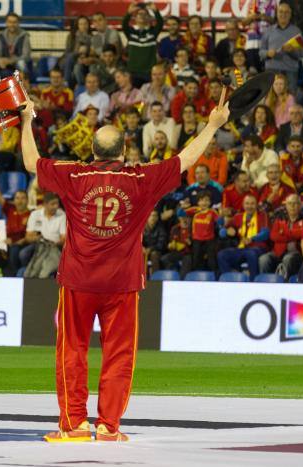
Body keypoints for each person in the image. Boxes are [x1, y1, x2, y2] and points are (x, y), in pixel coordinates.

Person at [18, 78, 230, 441]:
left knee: (72, 351)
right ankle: (109, 427)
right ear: (124, 149)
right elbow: (186, 160)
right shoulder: (141, 178)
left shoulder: (74, 174)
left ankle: (74, 425)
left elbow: (30, 162)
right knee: (119, 356)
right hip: (122, 284)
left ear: (93, 151)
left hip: (78, 281)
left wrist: (26, 120)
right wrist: (212, 124)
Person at [218, 195, 270, 279]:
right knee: (222, 255)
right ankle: (228, 281)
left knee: (250, 253)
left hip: (258, 248)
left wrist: (251, 239)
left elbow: (265, 233)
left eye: (252, 204)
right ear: (243, 205)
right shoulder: (238, 217)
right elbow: (221, 233)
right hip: (241, 248)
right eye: (247, 203)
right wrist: (226, 231)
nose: (249, 206)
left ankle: (253, 282)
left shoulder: (262, 215)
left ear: (256, 205)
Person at [260, 3, 303, 93]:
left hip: (290, 70)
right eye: (281, 12)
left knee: (290, 96)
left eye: (286, 12)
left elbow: (302, 53)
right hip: (271, 69)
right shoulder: (268, 30)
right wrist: (267, 53)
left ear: (290, 15)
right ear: (276, 13)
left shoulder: (296, 31)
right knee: (270, 95)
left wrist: (292, 50)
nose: (283, 15)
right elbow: (261, 52)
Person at [259, 194, 303, 278]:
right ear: (286, 206)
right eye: (290, 203)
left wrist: (283, 233)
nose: (292, 206)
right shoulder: (280, 219)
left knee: (288, 258)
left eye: (295, 203)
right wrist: (292, 235)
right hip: (277, 252)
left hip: (296, 253)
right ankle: (264, 283)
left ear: (299, 205)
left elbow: (302, 234)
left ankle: (284, 284)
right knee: (263, 259)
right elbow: (273, 236)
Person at [122, 1, 163, 87]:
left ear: (149, 18)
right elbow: (124, 25)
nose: (142, 16)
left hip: (149, 72)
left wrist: (156, 11)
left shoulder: (152, 32)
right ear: (135, 18)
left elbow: (160, 23)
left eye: (145, 14)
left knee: (148, 97)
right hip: (133, 72)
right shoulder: (131, 33)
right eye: (139, 14)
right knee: (135, 98)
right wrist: (129, 13)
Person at [0, 13, 32, 79]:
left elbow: (26, 56)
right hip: (4, 66)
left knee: (21, 63)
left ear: (18, 23)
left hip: (17, 65)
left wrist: (11, 61)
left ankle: (24, 83)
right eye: (10, 22)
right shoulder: (0, 36)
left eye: (14, 22)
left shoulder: (24, 36)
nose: (12, 25)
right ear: (6, 23)